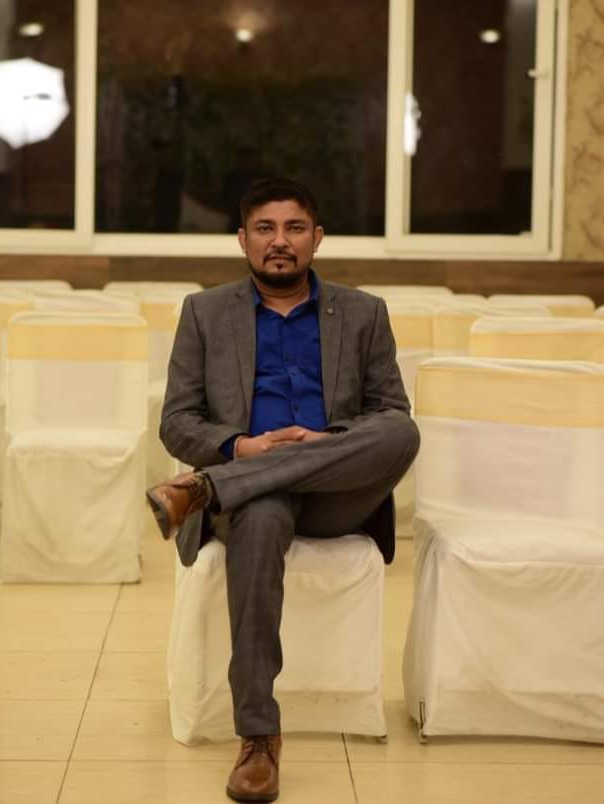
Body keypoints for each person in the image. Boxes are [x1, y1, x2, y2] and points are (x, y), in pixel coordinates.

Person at [147, 177, 420, 803]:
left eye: (294, 228)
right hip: (254, 495)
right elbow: (177, 422)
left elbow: (389, 414)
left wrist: (325, 441)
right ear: (242, 240)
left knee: (403, 433)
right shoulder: (205, 313)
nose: (280, 241)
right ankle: (258, 740)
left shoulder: (363, 312)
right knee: (263, 512)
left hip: (336, 494)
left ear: (316, 238)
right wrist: (241, 448)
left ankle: (206, 488)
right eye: (265, 229)